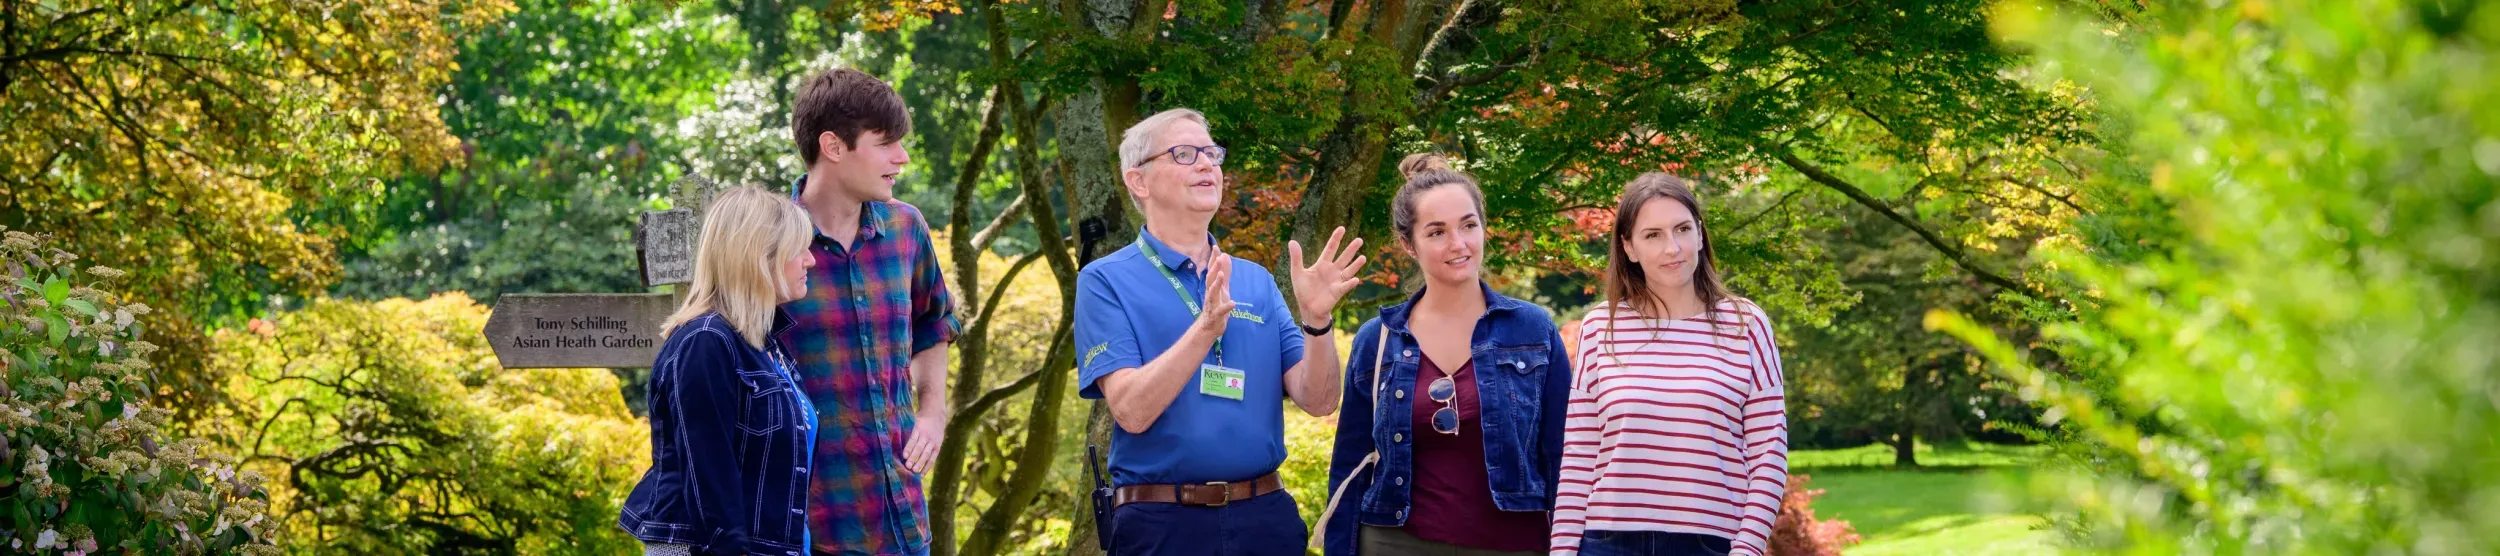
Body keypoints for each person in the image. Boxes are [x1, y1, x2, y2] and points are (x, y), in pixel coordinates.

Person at [1072, 107, 1369, 556]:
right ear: (1139, 182)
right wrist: (1205, 329)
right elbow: (1131, 411)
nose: (1208, 164)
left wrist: (1317, 321)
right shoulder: (1104, 279)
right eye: (1185, 153)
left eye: (1212, 153)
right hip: (1162, 525)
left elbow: (1320, 399)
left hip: (1265, 517)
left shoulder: (1256, 280)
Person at [1318, 154, 1573, 556]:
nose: (1458, 244)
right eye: (1436, 232)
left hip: (1514, 544)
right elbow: (1349, 466)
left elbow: (1562, 456)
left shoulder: (1533, 329)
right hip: (1394, 542)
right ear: (1408, 244)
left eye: (1468, 225)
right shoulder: (1378, 340)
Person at [1548, 173, 1789, 556]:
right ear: (1628, 247)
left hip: (1712, 544)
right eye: (1653, 235)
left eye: (1682, 229)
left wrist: (1748, 547)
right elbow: (1579, 455)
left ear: (1700, 234)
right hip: (1608, 543)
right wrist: (1561, 551)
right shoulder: (1601, 326)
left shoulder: (1747, 325)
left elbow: (1769, 454)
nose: (1673, 248)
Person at [778, 67, 959, 556]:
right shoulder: (768, 243)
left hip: (902, 515)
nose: (901, 158)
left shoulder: (906, 228)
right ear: (833, 146)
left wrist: (933, 412)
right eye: (884, 143)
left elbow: (933, 323)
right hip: (808, 525)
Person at [620, 186, 823, 556]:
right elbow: (708, 477)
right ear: (760, 255)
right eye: (800, 249)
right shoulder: (705, 341)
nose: (811, 260)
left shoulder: (767, 347)